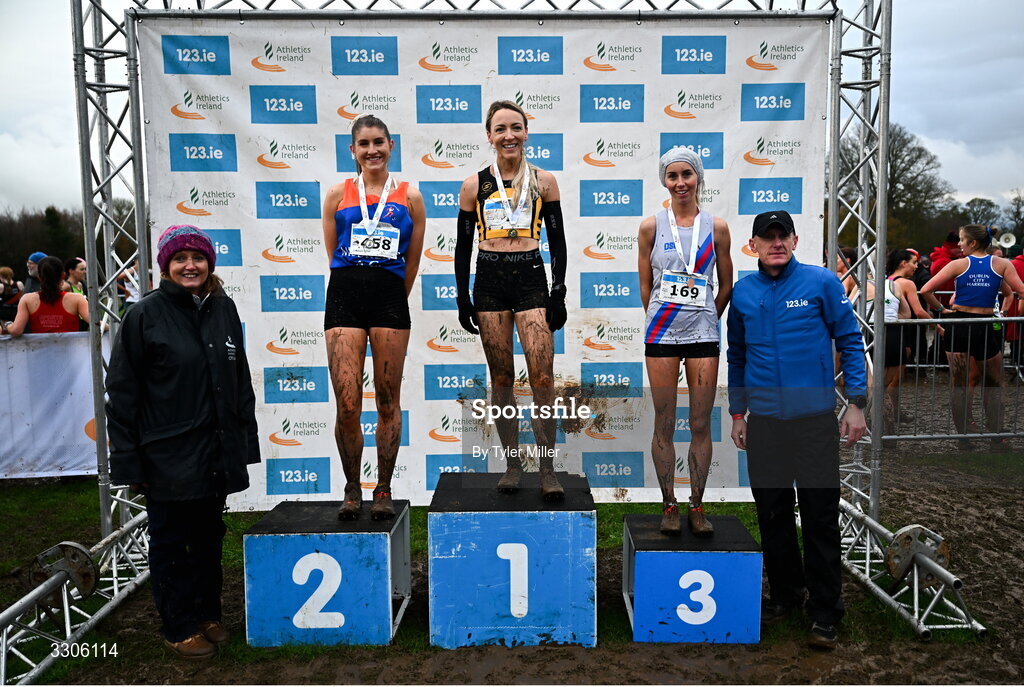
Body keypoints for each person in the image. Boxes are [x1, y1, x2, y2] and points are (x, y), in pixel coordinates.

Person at [105, 225, 259, 659]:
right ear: (165, 267)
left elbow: (238, 379)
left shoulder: (223, 308)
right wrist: (130, 464)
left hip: (215, 451)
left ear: (210, 263)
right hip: (166, 455)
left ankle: (208, 614)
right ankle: (177, 625)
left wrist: (243, 445)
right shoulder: (144, 315)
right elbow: (122, 394)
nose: (189, 265)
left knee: (209, 535)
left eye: (198, 257)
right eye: (179, 259)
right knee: (172, 541)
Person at [727, 210, 867, 650]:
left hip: (813, 424)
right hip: (765, 425)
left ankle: (826, 609)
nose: (776, 243)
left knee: (820, 517)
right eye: (767, 237)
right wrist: (737, 413)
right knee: (773, 515)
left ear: (794, 239)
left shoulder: (822, 282)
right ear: (753, 245)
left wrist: (856, 404)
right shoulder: (743, 292)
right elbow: (737, 355)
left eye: (782, 235)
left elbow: (849, 339)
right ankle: (786, 594)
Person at [454, 100, 568, 500]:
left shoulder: (544, 181)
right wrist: (462, 295)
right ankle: (512, 464)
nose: (509, 136)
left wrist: (559, 289)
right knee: (501, 378)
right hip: (488, 281)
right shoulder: (474, 185)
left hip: (530, 278)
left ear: (526, 132)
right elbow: (462, 245)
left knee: (542, 376)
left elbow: (558, 241)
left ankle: (549, 468)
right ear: (489, 136)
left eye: (515, 128)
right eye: (500, 129)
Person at [321, 115, 425, 520]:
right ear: (353, 151)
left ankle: (383, 488)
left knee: (387, 401)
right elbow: (334, 255)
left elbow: (411, 260)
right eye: (363, 144)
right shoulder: (335, 195)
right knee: (347, 403)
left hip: (389, 299)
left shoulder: (411, 196)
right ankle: (352, 487)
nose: (372, 150)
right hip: (345, 297)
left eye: (379, 142)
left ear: (391, 144)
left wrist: (394, 298)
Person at [638, 148, 733, 536]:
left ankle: (696, 503)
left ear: (698, 178)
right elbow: (646, 287)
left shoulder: (717, 227)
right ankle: (669, 504)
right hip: (661, 333)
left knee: (698, 422)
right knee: (663, 421)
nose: (680, 183)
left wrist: (708, 315)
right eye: (672, 176)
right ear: (664, 180)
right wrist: (663, 316)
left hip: (703, 335)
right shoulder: (650, 227)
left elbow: (725, 284)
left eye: (687, 175)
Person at [921, 225, 1024, 449]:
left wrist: (941, 311)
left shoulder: (958, 264)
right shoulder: (1001, 263)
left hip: (960, 324)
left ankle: (964, 437)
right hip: (983, 325)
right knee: (994, 382)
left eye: (961, 240)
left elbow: (925, 291)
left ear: (973, 243)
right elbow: (1020, 291)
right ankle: (996, 435)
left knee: (962, 385)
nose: (958, 244)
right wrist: (1003, 314)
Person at [1, 256, 90, 337]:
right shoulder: (77, 299)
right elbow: (96, 323)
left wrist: (8, 324)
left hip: (40, 352)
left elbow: (16, 330)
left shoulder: (27, 299)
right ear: (63, 275)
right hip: (70, 352)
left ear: (39, 277)